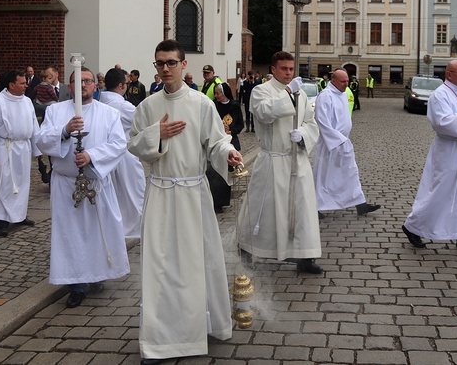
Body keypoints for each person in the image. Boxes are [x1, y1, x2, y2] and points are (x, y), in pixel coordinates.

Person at [128, 39, 243, 364]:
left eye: (171, 63)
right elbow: (134, 145)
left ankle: (205, 323)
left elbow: (216, 142)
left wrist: (229, 153)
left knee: (198, 261)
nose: (165, 68)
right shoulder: (148, 106)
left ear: (183, 65)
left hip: (194, 194)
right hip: (162, 193)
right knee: (161, 266)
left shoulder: (200, 104)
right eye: (159, 63)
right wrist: (157, 135)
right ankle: (161, 340)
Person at [36, 66, 130, 308]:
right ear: (70, 86)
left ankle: (96, 274)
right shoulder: (56, 111)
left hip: (97, 182)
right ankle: (76, 285)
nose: (84, 85)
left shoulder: (108, 114)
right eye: (78, 81)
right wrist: (65, 131)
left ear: (95, 86)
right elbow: (41, 140)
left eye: (88, 81)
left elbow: (119, 144)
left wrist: (92, 156)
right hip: (66, 184)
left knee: (97, 232)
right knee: (71, 235)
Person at [237, 51, 323, 274]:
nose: (288, 73)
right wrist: (287, 92)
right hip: (273, 159)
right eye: (283, 69)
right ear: (273, 69)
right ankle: (249, 248)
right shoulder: (260, 91)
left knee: (301, 207)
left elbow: (311, 122)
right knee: (264, 207)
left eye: (291, 69)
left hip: (297, 159)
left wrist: (303, 134)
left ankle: (304, 255)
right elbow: (265, 113)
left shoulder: (301, 95)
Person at [401, 60, 457, 252]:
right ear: (449, 74)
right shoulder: (439, 95)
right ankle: (413, 226)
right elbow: (441, 122)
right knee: (439, 193)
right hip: (448, 150)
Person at [0, 70, 41, 236]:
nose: (26, 85)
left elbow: (34, 125)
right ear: (12, 85)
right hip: (6, 147)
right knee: (4, 182)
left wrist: (38, 148)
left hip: (24, 147)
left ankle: (19, 215)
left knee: (22, 182)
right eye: (22, 83)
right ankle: (2, 219)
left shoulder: (27, 101)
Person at [313, 69, 380, 218]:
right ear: (334, 81)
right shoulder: (325, 96)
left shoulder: (343, 93)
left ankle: (360, 204)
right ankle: (315, 207)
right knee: (323, 177)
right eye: (343, 81)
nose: (346, 84)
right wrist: (337, 139)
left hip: (344, 142)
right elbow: (322, 121)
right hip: (330, 144)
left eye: (347, 81)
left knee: (351, 172)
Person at [99, 67, 145, 241]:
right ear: (120, 85)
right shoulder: (122, 105)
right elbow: (142, 122)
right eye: (126, 82)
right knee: (133, 192)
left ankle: (115, 226)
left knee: (114, 193)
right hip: (124, 154)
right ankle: (134, 227)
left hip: (104, 155)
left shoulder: (100, 101)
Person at [206, 82, 243, 213]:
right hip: (216, 142)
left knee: (227, 170)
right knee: (215, 172)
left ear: (225, 93)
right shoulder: (213, 106)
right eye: (215, 93)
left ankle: (223, 200)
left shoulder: (235, 106)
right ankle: (215, 201)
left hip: (231, 142)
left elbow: (240, 125)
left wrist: (231, 131)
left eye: (218, 93)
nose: (216, 96)